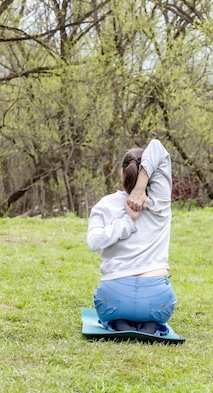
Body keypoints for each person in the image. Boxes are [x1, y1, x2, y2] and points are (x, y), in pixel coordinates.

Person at [87, 139, 177, 335]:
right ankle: (150, 323)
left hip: (114, 299)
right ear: (152, 174)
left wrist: (127, 219)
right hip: (157, 300)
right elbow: (158, 148)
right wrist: (131, 215)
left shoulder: (105, 204)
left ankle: (119, 320)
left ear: (122, 173)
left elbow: (93, 242)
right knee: (154, 309)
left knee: (112, 307)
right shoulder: (159, 202)